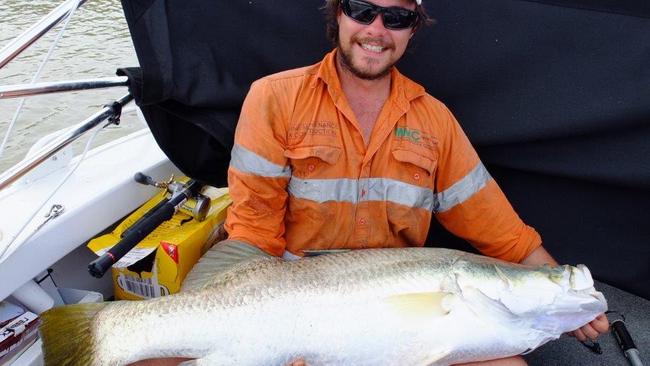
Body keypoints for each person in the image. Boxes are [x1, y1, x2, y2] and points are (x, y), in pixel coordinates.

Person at [130, 0, 608, 365]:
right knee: (149, 354)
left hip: (397, 320)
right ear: (338, 13)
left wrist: (564, 294)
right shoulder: (273, 98)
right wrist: (283, 334)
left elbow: (506, 236)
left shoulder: (435, 121)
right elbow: (254, 232)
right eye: (363, 10)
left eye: (396, 18)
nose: (376, 31)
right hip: (293, 298)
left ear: (412, 29)